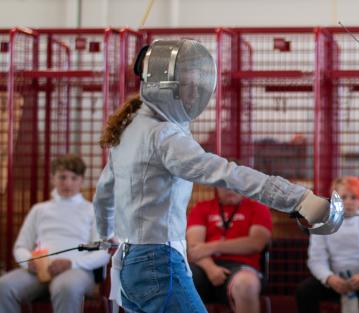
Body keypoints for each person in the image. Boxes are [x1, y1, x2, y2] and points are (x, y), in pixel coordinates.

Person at [93, 39, 336, 313]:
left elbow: (104, 195)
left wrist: (106, 235)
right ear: (165, 87)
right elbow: (225, 173)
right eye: (187, 84)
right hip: (156, 264)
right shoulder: (164, 136)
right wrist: (297, 199)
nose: (194, 91)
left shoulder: (130, 129)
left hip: (129, 266)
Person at [0, 154, 110, 313]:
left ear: (81, 180)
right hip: (39, 271)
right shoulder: (39, 210)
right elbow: (20, 246)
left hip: (77, 271)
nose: (68, 183)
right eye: (62, 177)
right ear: (53, 178)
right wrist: (28, 261)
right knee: (4, 286)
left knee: (65, 287)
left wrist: (71, 263)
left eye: (74, 177)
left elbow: (104, 252)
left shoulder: (92, 211)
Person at [296, 176, 359, 313]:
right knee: (304, 291)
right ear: (334, 200)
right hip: (333, 283)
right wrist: (329, 278)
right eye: (343, 197)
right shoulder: (322, 224)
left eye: (354, 197)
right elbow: (316, 260)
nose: (348, 202)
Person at [187, 185, 273, 313]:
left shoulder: (258, 207)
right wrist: (211, 269)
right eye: (225, 185)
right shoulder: (201, 208)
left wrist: (213, 246)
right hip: (204, 266)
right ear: (216, 187)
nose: (231, 189)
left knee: (247, 284)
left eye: (236, 185)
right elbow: (194, 249)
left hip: (242, 267)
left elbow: (256, 243)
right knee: (176, 280)